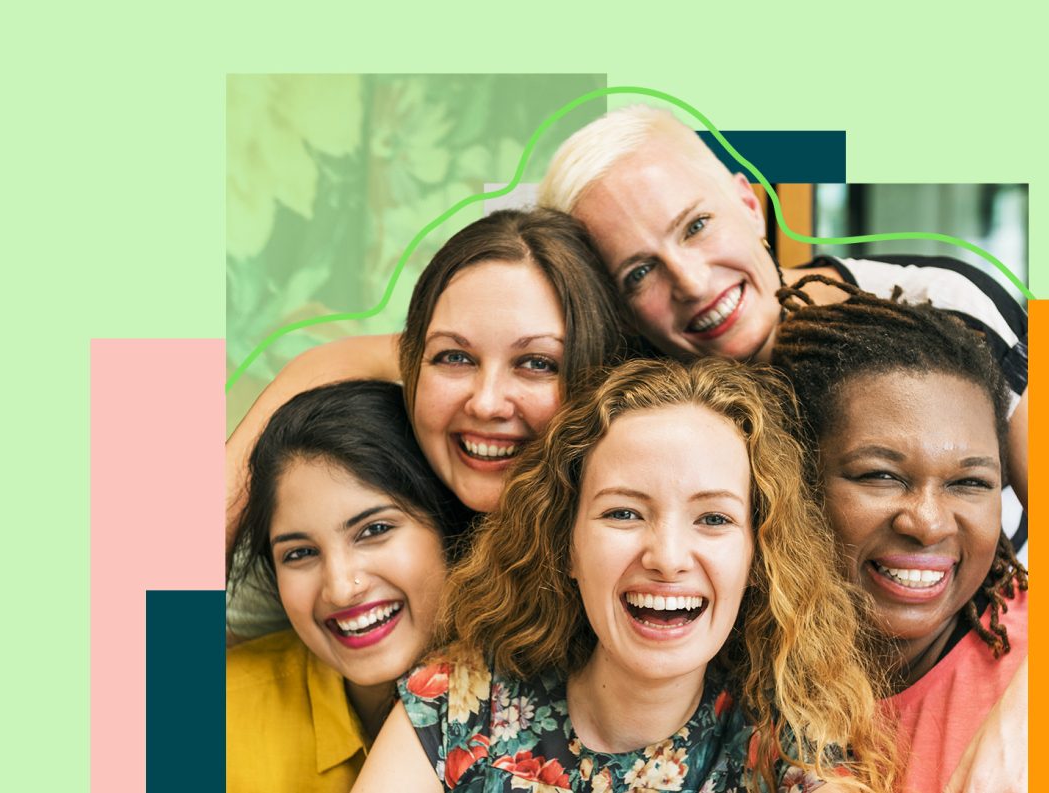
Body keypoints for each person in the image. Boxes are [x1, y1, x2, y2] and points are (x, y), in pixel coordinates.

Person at [354, 358, 897, 792]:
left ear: (758, 558)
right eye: (623, 513)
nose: (667, 557)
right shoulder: (459, 703)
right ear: (566, 545)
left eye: (713, 518)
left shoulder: (791, 746)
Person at [535, 105, 1029, 551]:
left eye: (696, 226)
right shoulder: (642, 425)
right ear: (620, 311)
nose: (691, 281)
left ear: (749, 207)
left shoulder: (945, 307)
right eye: (639, 273)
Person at [226, 208, 626, 639]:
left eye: (536, 363)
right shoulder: (356, 492)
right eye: (455, 357)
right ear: (412, 365)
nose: (487, 403)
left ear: (599, 375)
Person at [773, 276, 1029, 793]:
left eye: (969, 482)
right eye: (881, 476)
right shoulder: (718, 671)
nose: (929, 522)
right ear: (797, 481)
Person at [226, 380, 471, 792]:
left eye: (374, 530)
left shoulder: (547, 720)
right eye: (300, 554)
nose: (340, 589)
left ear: (449, 527)